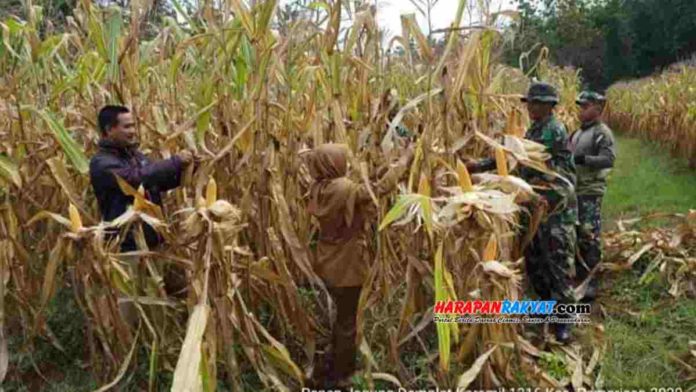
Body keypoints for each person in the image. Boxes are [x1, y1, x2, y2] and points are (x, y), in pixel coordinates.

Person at [467, 82, 578, 343]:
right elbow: (516, 158)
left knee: (557, 263)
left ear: (550, 106)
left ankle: (564, 321)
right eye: (530, 103)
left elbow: (517, 155)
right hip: (537, 204)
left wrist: (482, 165)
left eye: (537, 103)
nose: (531, 108)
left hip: (555, 207)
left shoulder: (552, 130)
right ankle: (545, 310)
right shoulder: (536, 128)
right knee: (536, 260)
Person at [306, 143, 413, 388]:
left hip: (326, 261)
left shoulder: (319, 187)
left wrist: (383, 167)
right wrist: (405, 160)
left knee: (338, 318)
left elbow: (361, 186)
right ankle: (341, 376)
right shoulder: (344, 188)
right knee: (347, 322)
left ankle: (329, 364)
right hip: (348, 266)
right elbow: (378, 190)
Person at [89, 105, 193, 324]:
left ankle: (158, 344)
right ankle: (129, 353)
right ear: (109, 129)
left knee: (157, 304)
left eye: (133, 125)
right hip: (127, 248)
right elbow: (135, 179)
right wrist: (174, 161)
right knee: (130, 311)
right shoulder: (102, 163)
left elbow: (157, 181)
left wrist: (185, 170)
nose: (133, 130)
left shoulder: (135, 156)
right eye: (127, 126)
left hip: (152, 243)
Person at [569, 91, 616, 302]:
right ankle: (581, 275)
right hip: (576, 190)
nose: (581, 110)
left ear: (597, 109)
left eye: (585, 106)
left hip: (590, 191)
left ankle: (591, 282)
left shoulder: (601, 133)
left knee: (589, 235)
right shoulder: (578, 133)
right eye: (580, 106)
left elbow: (608, 159)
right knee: (578, 233)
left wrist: (584, 159)